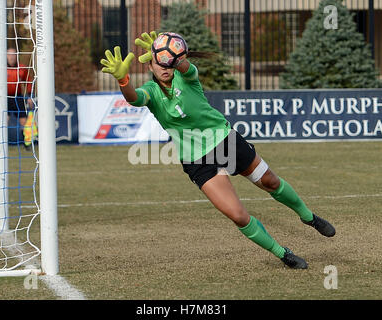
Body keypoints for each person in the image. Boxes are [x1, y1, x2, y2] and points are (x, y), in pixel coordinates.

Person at [100, 32, 336, 269]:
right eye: (159, 62)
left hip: (224, 140)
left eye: (168, 63)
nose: (164, 67)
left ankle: (308, 217)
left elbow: (187, 67)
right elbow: (134, 98)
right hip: (196, 160)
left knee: (271, 182)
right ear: (149, 64)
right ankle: (283, 253)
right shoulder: (151, 91)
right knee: (238, 216)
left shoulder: (186, 77)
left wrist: (173, 54)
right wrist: (123, 80)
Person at [6, 47, 35, 148]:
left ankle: (26, 142)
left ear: (16, 56)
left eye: (14, 54)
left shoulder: (21, 68)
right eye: (9, 54)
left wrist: (29, 96)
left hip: (18, 97)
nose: (12, 57)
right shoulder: (1, 68)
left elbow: (28, 82)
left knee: (24, 121)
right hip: (5, 98)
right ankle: (2, 143)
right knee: (4, 120)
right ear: (6, 56)